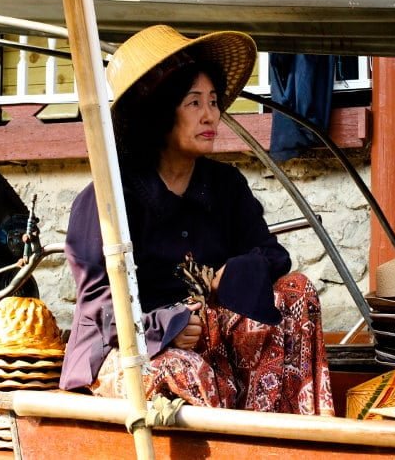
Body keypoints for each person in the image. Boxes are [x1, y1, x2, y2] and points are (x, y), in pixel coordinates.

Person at [59, 24, 334, 416]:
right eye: (193, 103)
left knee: (295, 293)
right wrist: (166, 325)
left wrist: (232, 276)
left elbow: (274, 257)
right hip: (130, 349)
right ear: (159, 114)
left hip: (208, 340)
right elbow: (100, 308)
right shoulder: (107, 198)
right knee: (186, 371)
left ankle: (275, 439)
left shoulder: (224, 185)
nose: (211, 116)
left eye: (214, 101)